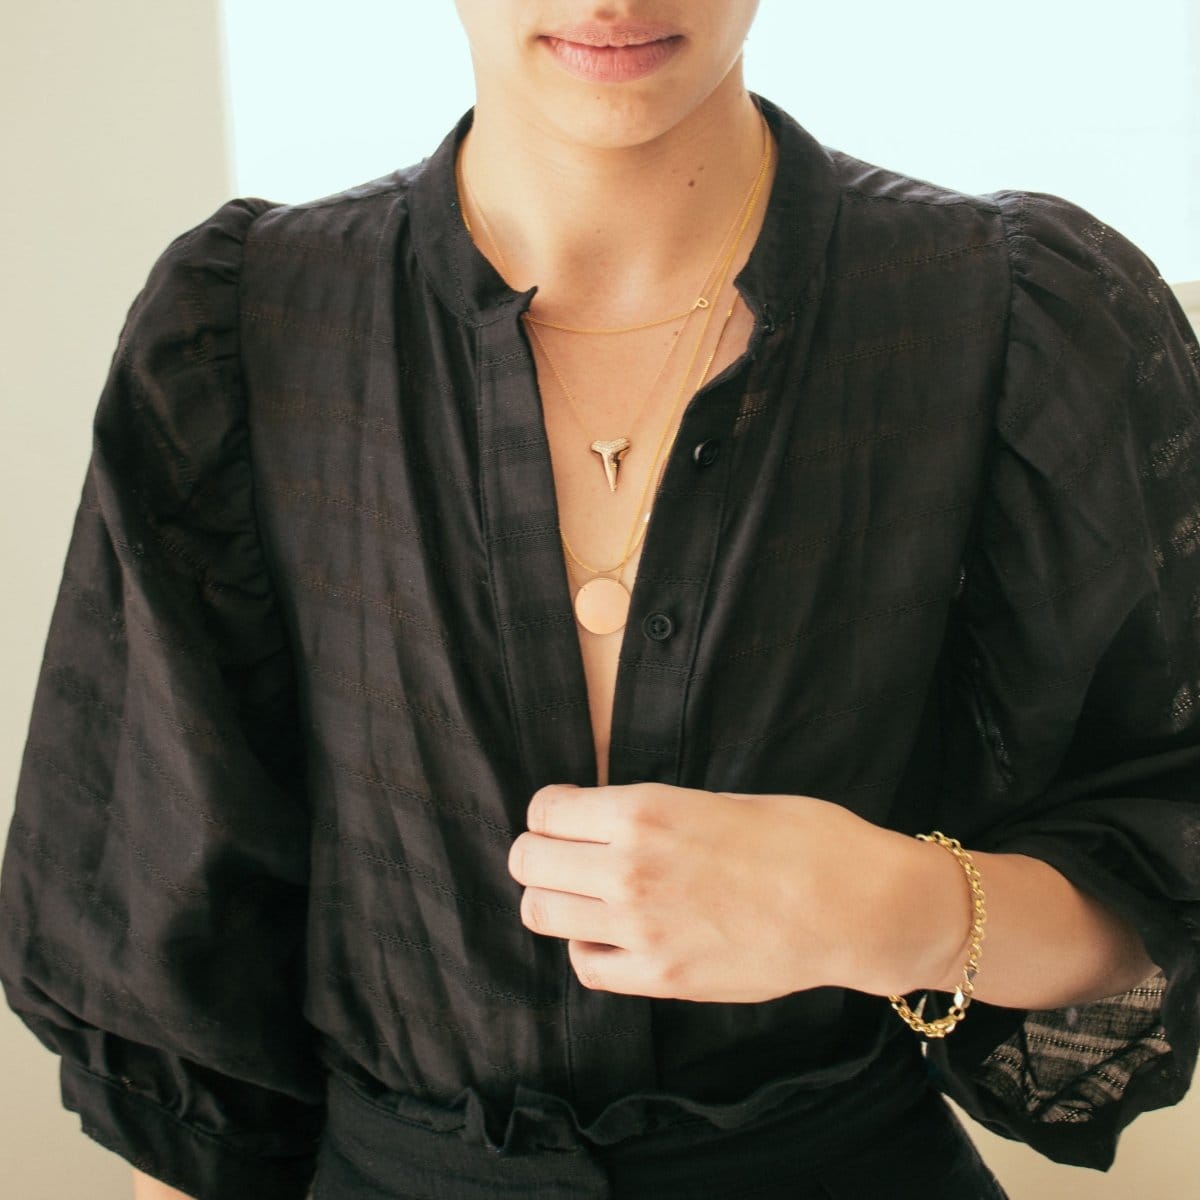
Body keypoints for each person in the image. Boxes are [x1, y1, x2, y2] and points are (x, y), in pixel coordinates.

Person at [3, 3, 1199, 1197]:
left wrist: (895, 903)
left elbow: (1166, 839)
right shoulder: (246, 327)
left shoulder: (1009, 309)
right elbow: (168, 963)